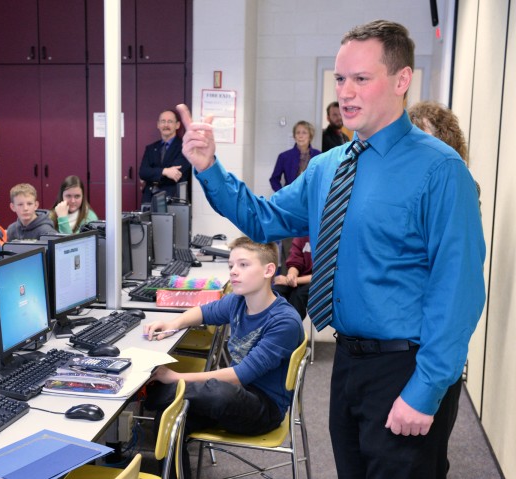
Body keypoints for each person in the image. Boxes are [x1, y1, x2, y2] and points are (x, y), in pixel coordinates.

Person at [177, 19, 485, 479]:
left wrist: (425, 388)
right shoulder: (328, 167)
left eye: (362, 78)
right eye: (341, 78)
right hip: (346, 365)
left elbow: (458, 290)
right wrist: (209, 167)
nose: (346, 91)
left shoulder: (439, 170)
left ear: (402, 80)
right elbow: (264, 218)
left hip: (406, 366)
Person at [143, 236, 303, 478]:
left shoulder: (284, 321)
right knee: (170, 418)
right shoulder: (238, 301)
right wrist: (171, 323)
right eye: (231, 266)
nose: (234, 272)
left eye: (243, 265)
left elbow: (240, 375)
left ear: (269, 270)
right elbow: (203, 311)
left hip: (263, 409)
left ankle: (153, 392)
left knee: (217, 392)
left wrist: (176, 377)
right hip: (234, 397)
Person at [139, 109, 192, 204]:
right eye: (163, 121)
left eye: (170, 122)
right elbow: (143, 172)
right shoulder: (150, 148)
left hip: (173, 200)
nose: (166, 125)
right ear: (158, 125)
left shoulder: (185, 147)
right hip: (149, 199)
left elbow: (176, 174)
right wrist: (165, 171)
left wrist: (151, 175)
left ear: (177, 125)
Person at [269, 121, 320, 192]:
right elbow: (274, 179)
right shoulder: (284, 156)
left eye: (304, 133)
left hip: (311, 197)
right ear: (294, 136)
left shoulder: (318, 155)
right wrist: (282, 194)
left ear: (310, 136)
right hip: (290, 197)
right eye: (298, 132)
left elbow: (322, 178)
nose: (300, 136)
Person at [272, 236, 311, 320]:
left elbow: (323, 274)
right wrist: (291, 275)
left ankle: (291, 326)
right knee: (276, 290)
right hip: (299, 278)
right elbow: (295, 261)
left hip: (315, 280)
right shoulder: (301, 236)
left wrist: (295, 280)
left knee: (298, 295)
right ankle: (274, 324)